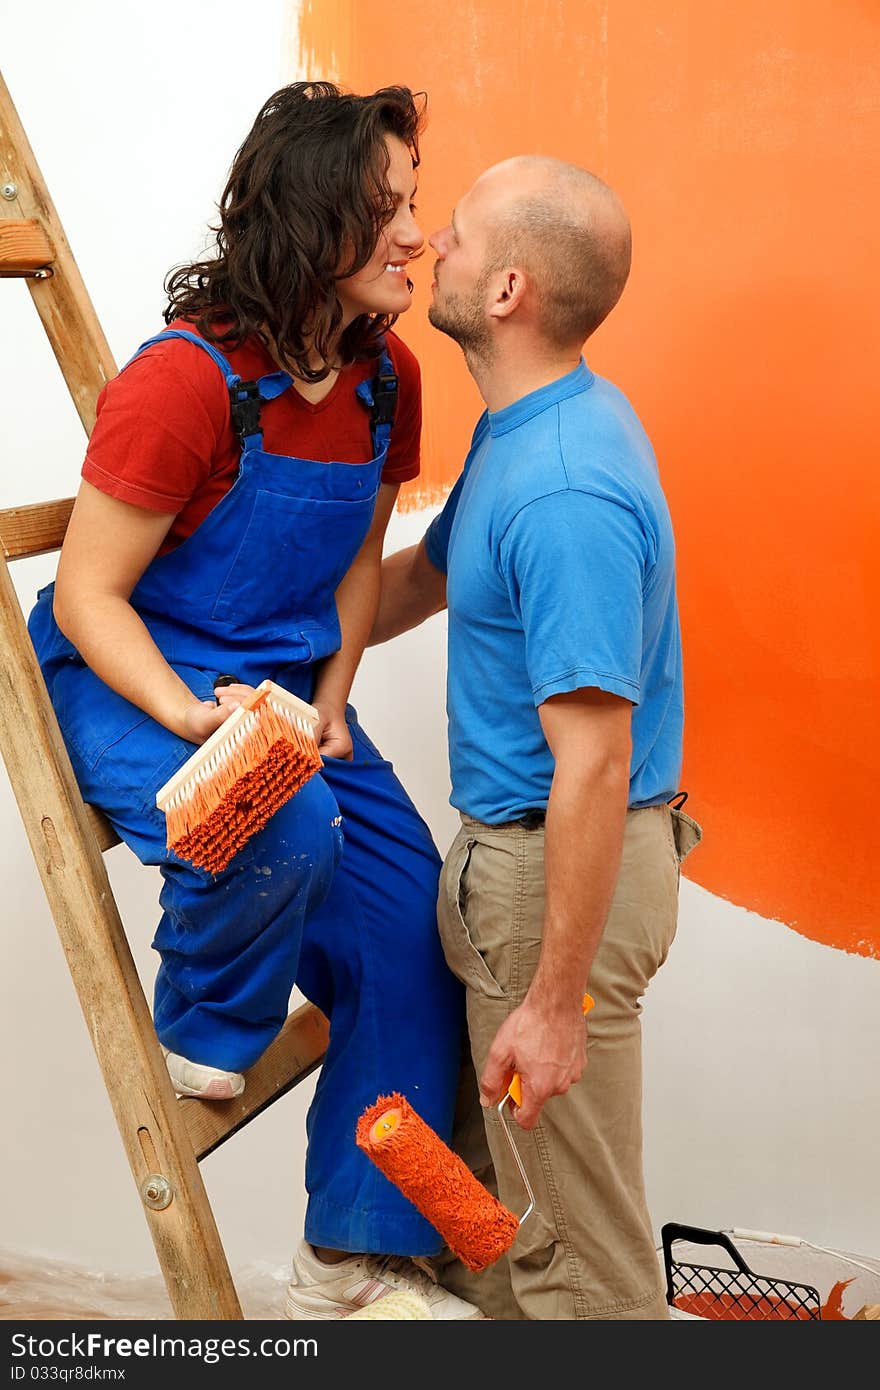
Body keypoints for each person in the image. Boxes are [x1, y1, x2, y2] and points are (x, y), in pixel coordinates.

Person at [27, 81, 481, 1320]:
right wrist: (191, 719)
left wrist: (329, 703)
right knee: (275, 825)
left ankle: (351, 1257)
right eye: (386, 210)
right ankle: (204, 1023)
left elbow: (348, 568)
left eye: (415, 205)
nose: (414, 234)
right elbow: (88, 599)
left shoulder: (388, 378)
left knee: (409, 933)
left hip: (284, 692)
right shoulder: (184, 384)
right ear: (310, 219)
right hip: (134, 675)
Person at [370, 155, 702, 1320]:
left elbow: (596, 761)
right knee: (502, 1233)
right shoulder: (529, 425)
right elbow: (424, 576)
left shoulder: (564, 488)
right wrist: (255, 630)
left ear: (506, 290)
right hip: (514, 873)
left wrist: (554, 1002)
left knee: (581, 1265)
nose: (424, 246)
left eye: (450, 234)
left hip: (550, 879)